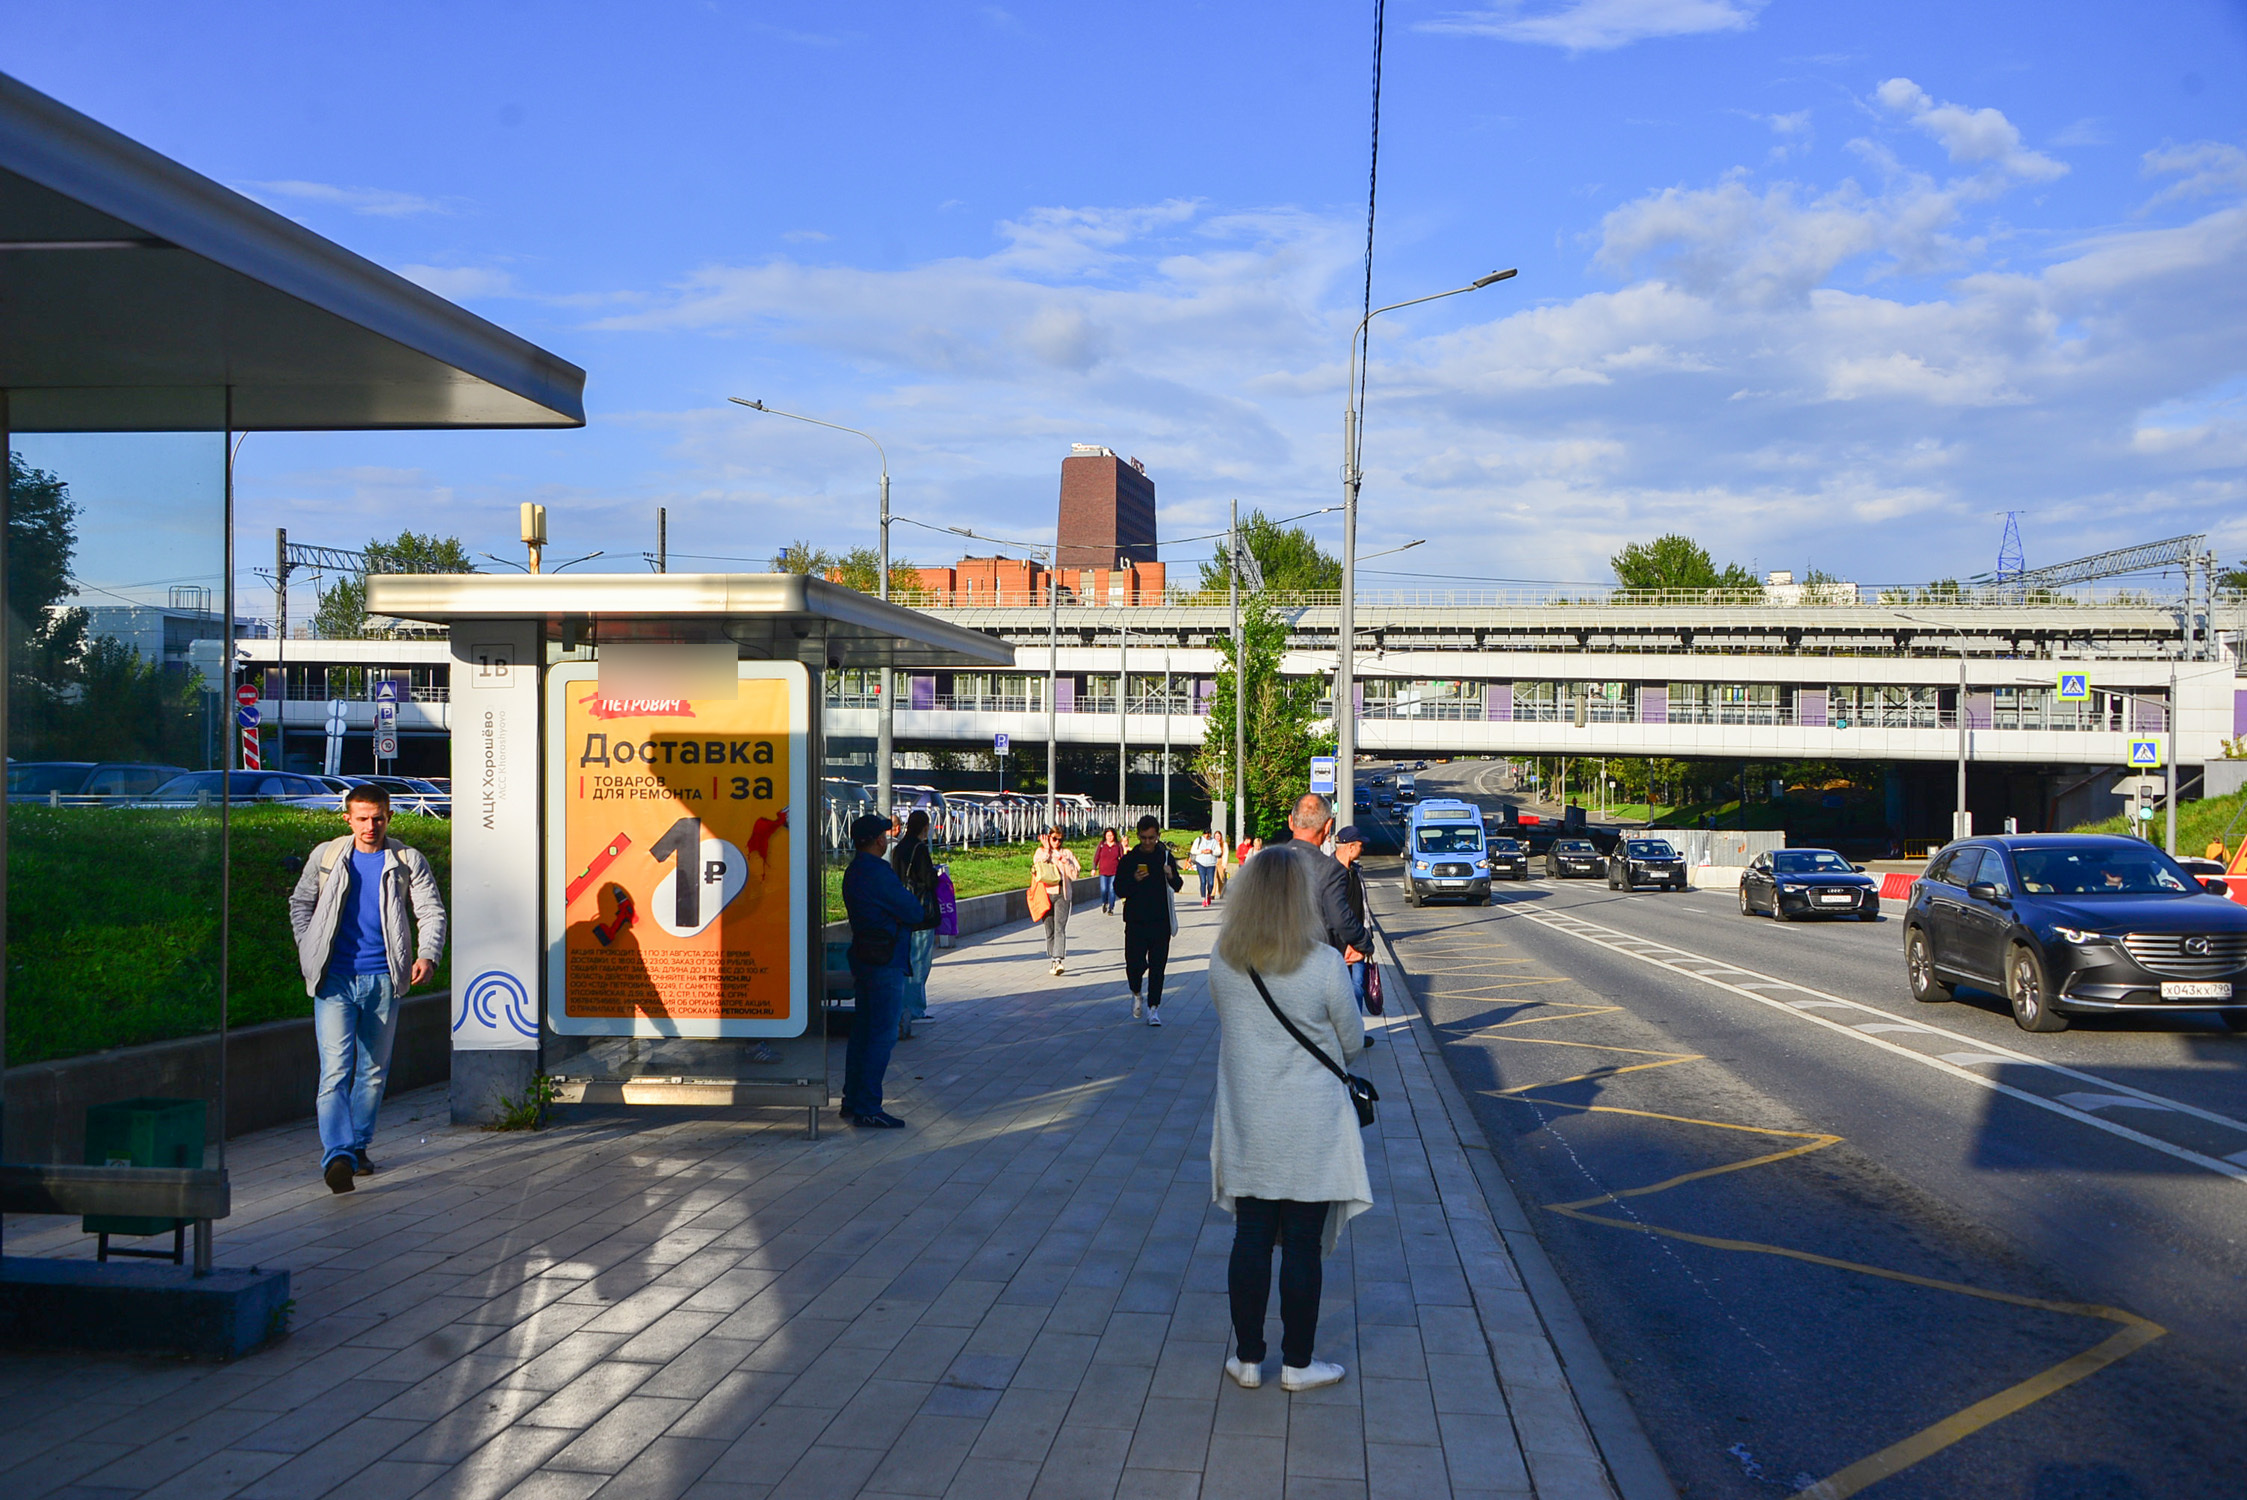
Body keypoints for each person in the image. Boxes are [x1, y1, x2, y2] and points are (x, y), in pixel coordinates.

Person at [1207, 846, 1370, 1393]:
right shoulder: (1324, 964)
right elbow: (1351, 1044)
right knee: (1302, 1243)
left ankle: (1249, 1360)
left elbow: (1230, 1023)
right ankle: (1298, 1364)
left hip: (1249, 1120)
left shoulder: (1223, 958)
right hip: (1312, 1126)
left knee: (1250, 1236)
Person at [289, 784, 447, 1194]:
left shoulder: (407, 860)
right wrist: (309, 947)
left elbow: (430, 910)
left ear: (389, 816)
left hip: (383, 977)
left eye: (377, 817)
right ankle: (337, 1155)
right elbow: (300, 902)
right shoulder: (326, 856)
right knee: (336, 1071)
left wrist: (427, 954)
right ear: (348, 819)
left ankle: (357, 1147)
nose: (370, 826)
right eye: (361, 818)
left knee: (373, 1073)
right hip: (334, 979)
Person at [842, 813, 924, 1128]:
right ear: (878, 840)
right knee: (882, 1035)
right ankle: (868, 1106)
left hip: (863, 957)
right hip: (884, 961)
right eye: (885, 834)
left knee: (863, 1032)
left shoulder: (854, 871)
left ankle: (853, 1100)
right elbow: (913, 910)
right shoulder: (878, 873)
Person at [1272, 793, 1373, 964]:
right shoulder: (1329, 869)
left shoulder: (1266, 862)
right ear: (1328, 826)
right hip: (1312, 963)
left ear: (1291, 822)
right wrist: (1364, 943)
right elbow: (1340, 919)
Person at [1115, 814, 1183, 1024]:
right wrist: (1133, 880)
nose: (1147, 842)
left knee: (1158, 967)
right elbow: (1119, 889)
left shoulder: (1164, 857)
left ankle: (1154, 1008)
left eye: (1151, 838)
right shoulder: (1129, 860)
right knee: (1134, 964)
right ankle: (1136, 992)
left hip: (1160, 922)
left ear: (1157, 836)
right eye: (1143, 838)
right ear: (1138, 836)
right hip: (1135, 922)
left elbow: (1178, 885)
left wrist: (1171, 874)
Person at [889, 809, 942, 1038]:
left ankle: (903, 1008)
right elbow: (928, 880)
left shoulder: (899, 849)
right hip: (920, 914)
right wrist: (937, 875)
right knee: (919, 963)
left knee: (905, 961)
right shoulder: (920, 849)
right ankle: (915, 1009)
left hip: (901, 913)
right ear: (924, 828)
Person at [1331, 824, 1376, 1047]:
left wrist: (1367, 938)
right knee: (1338, 991)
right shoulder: (1330, 872)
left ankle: (1356, 1033)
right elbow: (1335, 915)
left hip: (1359, 941)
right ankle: (1340, 1035)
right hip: (1337, 944)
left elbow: (1363, 908)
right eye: (1360, 845)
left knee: (1357, 987)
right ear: (1349, 847)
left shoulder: (1356, 870)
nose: (1363, 849)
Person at [1033, 828, 1081, 976]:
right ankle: (1053, 959)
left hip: (1062, 893)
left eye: (1060, 840)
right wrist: (1047, 849)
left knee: (1060, 927)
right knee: (1050, 930)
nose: (1057, 842)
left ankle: (1058, 960)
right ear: (1049, 838)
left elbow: (1075, 874)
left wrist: (1066, 863)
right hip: (1045, 895)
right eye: (1054, 839)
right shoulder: (1041, 852)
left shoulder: (1066, 853)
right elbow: (1037, 865)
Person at [1094, 827, 1124, 914]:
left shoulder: (1118, 845)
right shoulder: (1102, 844)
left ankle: (1111, 908)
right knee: (1104, 889)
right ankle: (1105, 902)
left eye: (1111, 835)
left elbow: (1122, 858)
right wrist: (1094, 868)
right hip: (1103, 871)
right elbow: (1097, 857)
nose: (1109, 837)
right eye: (1108, 836)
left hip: (1114, 871)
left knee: (1112, 889)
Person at [1191, 828, 1224, 906]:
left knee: (1211, 883)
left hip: (1211, 864)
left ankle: (1209, 894)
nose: (1207, 835)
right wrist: (1201, 851)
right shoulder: (1198, 840)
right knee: (1203, 881)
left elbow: (1219, 852)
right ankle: (1203, 899)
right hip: (1200, 863)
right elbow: (1193, 850)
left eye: (1208, 834)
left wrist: (1212, 852)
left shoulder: (1214, 842)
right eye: (1205, 834)